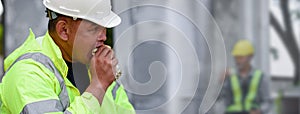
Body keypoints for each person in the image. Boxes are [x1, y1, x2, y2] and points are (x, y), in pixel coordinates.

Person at [0, 0, 135, 113]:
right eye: (93, 29)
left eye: (105, 28)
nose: (104, 37)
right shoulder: (27, 74)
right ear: (64, 30)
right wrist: (98, 86)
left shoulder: (97, 66)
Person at [221, 40, 272, 114]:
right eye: (236, 57)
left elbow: (268, 102)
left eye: (241, 57)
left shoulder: (260, 77)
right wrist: (221, 83)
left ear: (250, 57)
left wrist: (260, 111)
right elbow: (218, 99)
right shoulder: (229, 76)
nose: (238, 61)